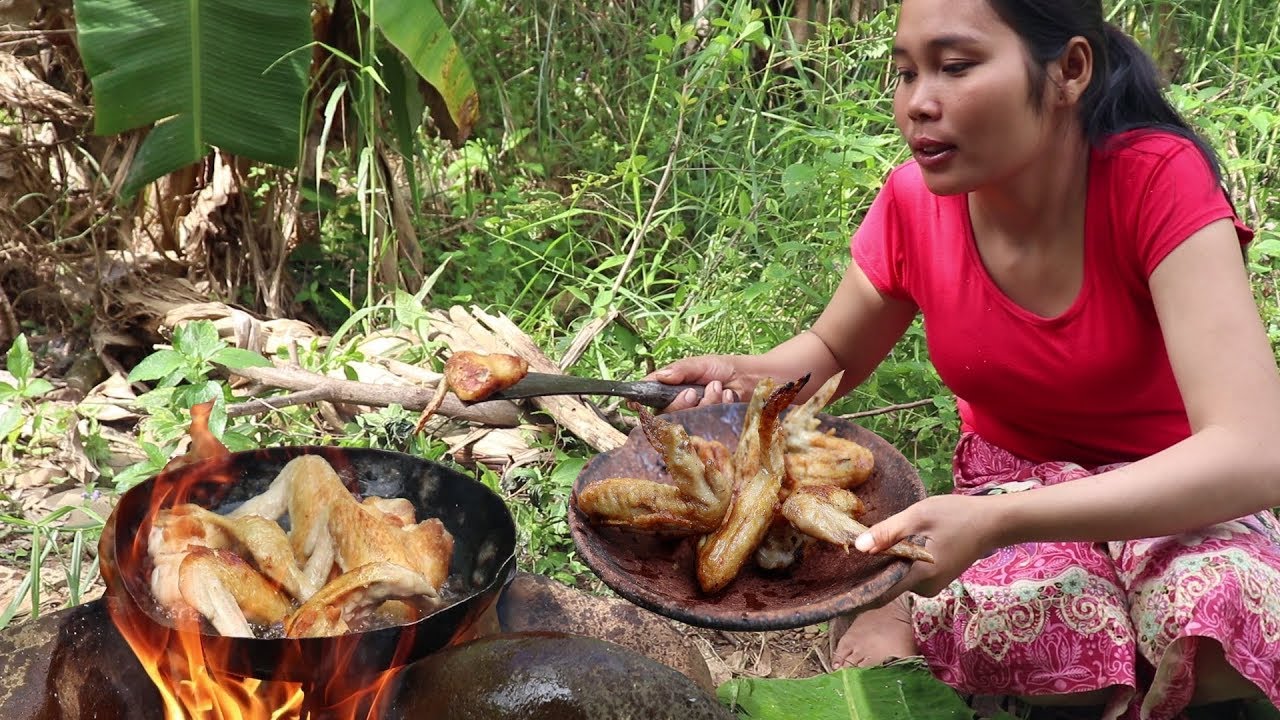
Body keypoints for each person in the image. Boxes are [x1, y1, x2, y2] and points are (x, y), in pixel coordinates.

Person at [648, 0, 1280, 717]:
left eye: (954, 66)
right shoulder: (915, 203)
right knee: (1045, 630)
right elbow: (829, 351)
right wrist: (744, 374)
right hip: (1007, 486)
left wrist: (1004, 528)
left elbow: (1254, 453)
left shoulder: (1154, 180)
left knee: (1224, 621)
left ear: (1070, 69)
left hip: (1174, 490)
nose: (918, 102)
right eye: (905, 72)